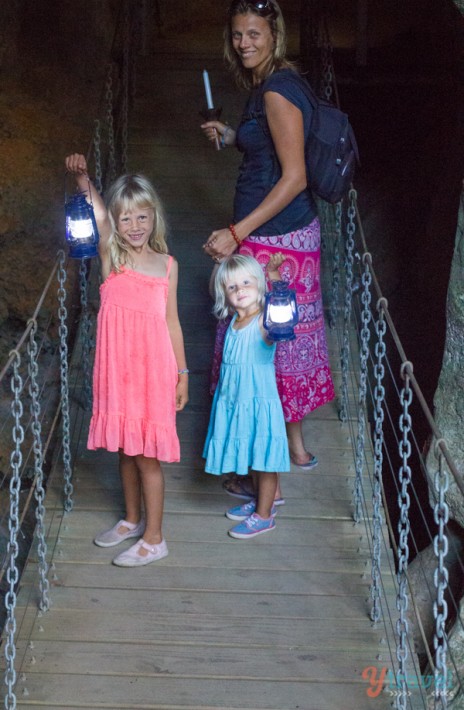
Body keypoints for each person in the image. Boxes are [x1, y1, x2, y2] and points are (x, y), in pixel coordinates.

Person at [201, 0, 335, 498]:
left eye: (253, 33)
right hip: (287, 234)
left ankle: (264, 471)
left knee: (256, 346)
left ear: (273, 34)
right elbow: (276, 150)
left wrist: (237, 233)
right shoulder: (276, 84)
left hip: (276, 237)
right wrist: (237, 136)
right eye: (237, 34)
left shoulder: (277, 91)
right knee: (286, 341)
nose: (244, 43)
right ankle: (293, 449)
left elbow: (295, 177)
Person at [65, 153, 189, 566]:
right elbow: (98, 214)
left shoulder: (168, 266)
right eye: (126, 220)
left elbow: (172, 323)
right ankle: (132, 519)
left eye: (142, 218)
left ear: (154, 217)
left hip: (154, 372)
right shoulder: (111, 258)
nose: (135, 227)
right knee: (123, 445)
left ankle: (155, 538)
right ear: (116, 225)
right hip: (118, 370)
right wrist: (84, 178)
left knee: (146, 455)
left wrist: (183, 375)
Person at [203, 253, 290, 539]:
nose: (239, 289)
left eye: (246, 283)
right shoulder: (233, 322)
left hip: (258, 402)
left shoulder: (266, 322)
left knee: (265, 459)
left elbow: (282, 306)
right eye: (231, 287)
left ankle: (264, 516)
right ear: (224, 295)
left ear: (259, 285)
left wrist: (274, 276)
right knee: (254, 455)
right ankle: (262, 503)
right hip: (236, 401)